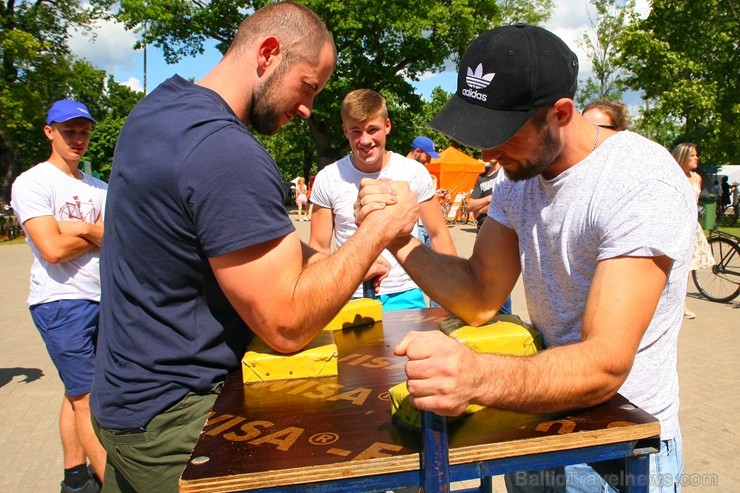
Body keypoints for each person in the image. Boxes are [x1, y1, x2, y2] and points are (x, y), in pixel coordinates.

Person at [90, 4, 417, 492]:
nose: (308, 108)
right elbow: (285, 326)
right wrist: (379, 231)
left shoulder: (157, 111)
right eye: (308, 86)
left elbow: (223, 244)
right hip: (183, 420)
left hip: (123, 402)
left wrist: (331, 265)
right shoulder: (225, 152)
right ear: (268, 54)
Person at [357, 24, 693, 492]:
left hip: (620, 449)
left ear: (560, 113)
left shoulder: (639, 182)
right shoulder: (519, 179)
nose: (486, 152)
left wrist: (477, 376)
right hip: (537, 422)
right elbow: (478, 295)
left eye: (501, 132)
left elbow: (604, 365)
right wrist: (400, 238)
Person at [11, 100, 107, 493]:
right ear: (49, 131)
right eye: (69, 131)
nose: (78, 139)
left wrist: (77, 227)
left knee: (76, 390)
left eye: (83, 131)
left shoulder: (100, 187)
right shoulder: (33, 182)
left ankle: (74, 476)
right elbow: (50, 249)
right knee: (88, 396)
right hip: (60, 302)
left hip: (103, 298)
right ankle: (111, 481)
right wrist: (94, 232)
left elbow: (117, 237)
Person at [309, 89, 456, 310]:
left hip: (405, 292)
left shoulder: (414, 172)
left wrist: (454, 296)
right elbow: (318, 248)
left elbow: (438, 235)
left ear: (387, 126)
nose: (365, 140)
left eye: (372, 129)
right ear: (344, 131)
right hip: (347, 294)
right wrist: (352, 268)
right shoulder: (328, 178)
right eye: (356, 131)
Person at [671, 142, 714, 320]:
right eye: (693, 155)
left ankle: (681, 303)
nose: (697, 158)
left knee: (686, 267)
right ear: (683, 156)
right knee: (673, 266)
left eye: (697, 155)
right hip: (675, 224)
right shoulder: (673, 175)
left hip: (692, 226)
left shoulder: (696, 178)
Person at [466, 157, 512, 315]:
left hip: (500, 232)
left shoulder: (505, 173)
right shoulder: (482, 177)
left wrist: (482, 208)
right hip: (481, 232)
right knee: (484, 276)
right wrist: (489, 199)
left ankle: (506, 317)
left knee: (499, 279)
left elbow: (505, 203)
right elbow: (470, 206)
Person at [406, 135, 441, 247]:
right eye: (428, 156)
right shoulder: (402, 169)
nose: (429, 161)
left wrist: (433, 195)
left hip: (425, 225)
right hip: (412, 229)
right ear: (417, 151)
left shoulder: (419, 170)